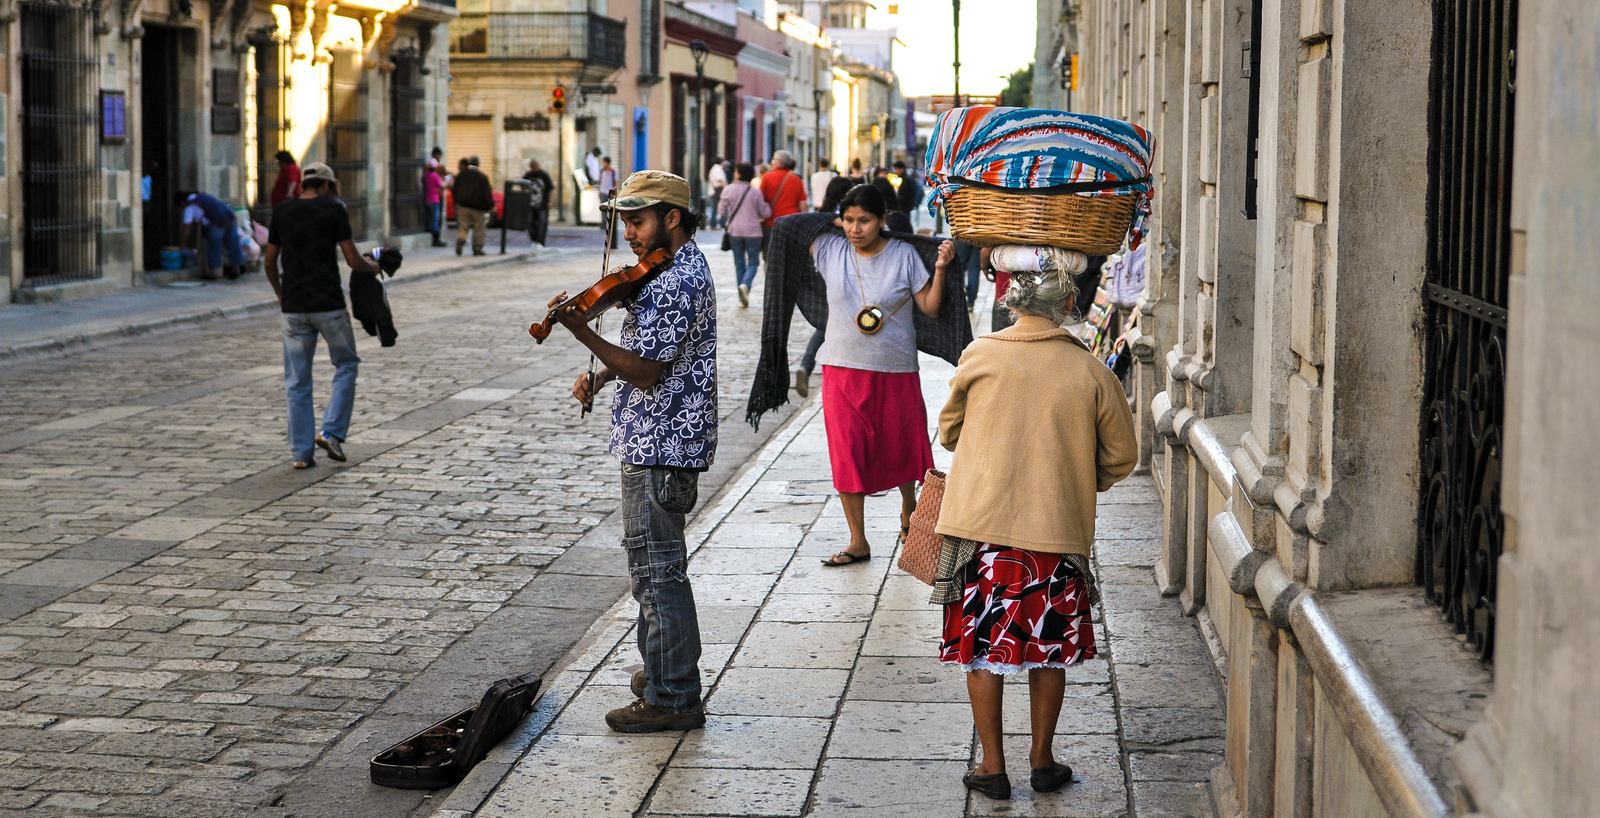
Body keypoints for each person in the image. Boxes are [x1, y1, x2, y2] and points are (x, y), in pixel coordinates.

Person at [932, 255, 1138, 800]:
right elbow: (1122, 456)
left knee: (982, 649)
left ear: (1012, 302)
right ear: (1069, 306)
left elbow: (949, 432)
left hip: (982, 536)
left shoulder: (980, 354)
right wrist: (1070, 476)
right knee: (1048, 650)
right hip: (1055, 538)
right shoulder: (1089, 369)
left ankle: (992, 767)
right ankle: (1043, 761)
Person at [553, 170, 717, 733]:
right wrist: (600, 377)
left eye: (638, 220)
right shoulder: (672, 268)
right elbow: (648, 353)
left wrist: (582, 333)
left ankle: (674, 696)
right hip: (661, 436)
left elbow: (647, 370)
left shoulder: (675, 281)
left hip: (661, 441)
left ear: (673, 218)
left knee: (658, 572)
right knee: (653, 569)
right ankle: (661, 671)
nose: (628, 233)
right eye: (623, 220)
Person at [809, 185, 952, 567]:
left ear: (883, 220)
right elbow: (789, 226)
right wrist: (831, 214)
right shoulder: (829, 248)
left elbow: (931, 308)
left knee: (903, 446)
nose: (855, 229)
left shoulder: (904, 255)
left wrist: (939, 269)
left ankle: (909, 508)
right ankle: (858, 540)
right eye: (849, 220)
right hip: (841, 368)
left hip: (895, 368)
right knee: (848, 452)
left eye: (865, 221)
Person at [262, 162, 383, 470]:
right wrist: (376, 267)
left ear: (304, 184)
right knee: (346, 364)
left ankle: (301, 454)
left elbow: (270, 261)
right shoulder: (335, 209)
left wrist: (280, 293)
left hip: (294, 308)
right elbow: (353, 259)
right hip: (328, 305)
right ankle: (332, 432)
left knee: (297, 381)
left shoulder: (282, 211)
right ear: (327, 185)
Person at [719, 162, 772, 308]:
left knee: (739, 263)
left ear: (739, 173)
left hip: (734, 231)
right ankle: (745, 285)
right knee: (753, 262)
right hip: (754, 232)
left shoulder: (728, 190)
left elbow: (722, 211)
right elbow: (766, 212)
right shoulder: (755, 192)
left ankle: (741, 294)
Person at [176, 190, 244, 280]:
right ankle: (236, 268)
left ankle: (216, 273)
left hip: (216, 223)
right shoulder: (202, 196)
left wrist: (182, 243)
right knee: (232, 243)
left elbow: (186, 228)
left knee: (214, 247)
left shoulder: (189, 207)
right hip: (230, 216)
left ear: (181, 202)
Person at [759, 151, 808, 257]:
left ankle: (770, 273)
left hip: (771, 223)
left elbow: (760, 200)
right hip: (792, 222)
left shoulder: (766, 177)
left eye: (773, 160)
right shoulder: (796, 179)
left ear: (779, 162)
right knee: (789, 255)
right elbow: (803, 205)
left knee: (769, 255)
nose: (772, 163)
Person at [451, 158, 493, 256]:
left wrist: (457, 201)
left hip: (463, 206)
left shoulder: (461, 175)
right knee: (479, 228)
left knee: (463, 226)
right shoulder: (482, 177)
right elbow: (487, 193)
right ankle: (477, 248)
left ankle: (461, 239)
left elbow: (454, 190)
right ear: (478, 164)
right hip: (478, 207)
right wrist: (490, 205)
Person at [522, 159, 555, 246]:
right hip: (530, 204)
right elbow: (522, 186)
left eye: (535, 166)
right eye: (532, 167)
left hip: (542, 204)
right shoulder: (528, 175)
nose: (534, 168)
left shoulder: (544, 175)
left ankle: (540, 242)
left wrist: (550, 201)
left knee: (542, 223)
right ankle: (534, 239)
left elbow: (550, 189)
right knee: (529, 223)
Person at [598, 157, 620, 248]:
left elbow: (615, 182)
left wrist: (615, 193)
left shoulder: (613, 171)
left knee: (610, 210)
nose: (603, 164)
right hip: (602, 191)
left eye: (604, 162)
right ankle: (603, 223)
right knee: (603, 208)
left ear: (608, 163)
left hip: (609, 192)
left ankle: (608, 222)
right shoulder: (602, 171)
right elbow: (600, 181)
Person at [423, 161, 447, 247]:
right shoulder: (435, 176)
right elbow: (442, 185)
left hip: (427, 200)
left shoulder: (426, 176)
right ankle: (436, 240)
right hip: (434, 200)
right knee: (435, 220)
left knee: (429, 219)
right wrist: (446, 182)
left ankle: (431, 239)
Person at [706, 157, 727, 229]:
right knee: (719, 207)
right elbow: (720, 179)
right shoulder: (717, 169)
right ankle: (716, 224)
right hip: (717, 191)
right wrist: (726, 187)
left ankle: (716, 223)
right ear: (721, 162)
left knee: (716, 208)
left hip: (715, 191)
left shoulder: (715, 168)